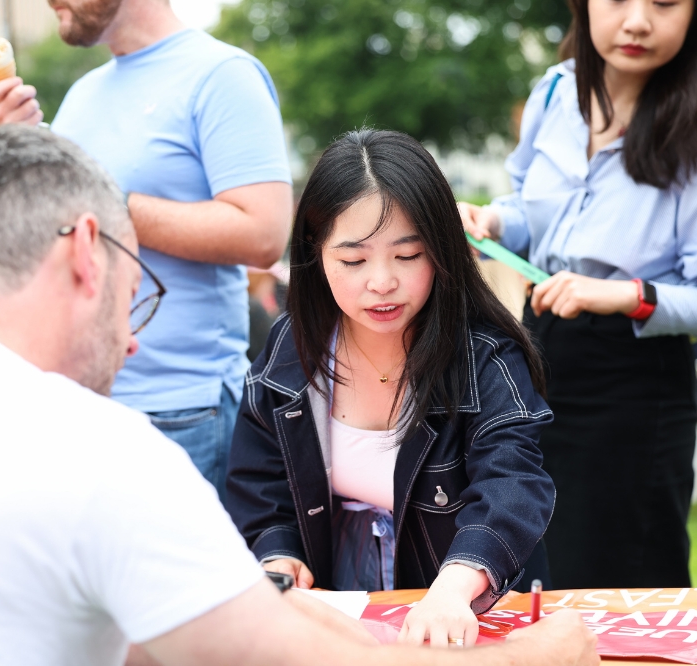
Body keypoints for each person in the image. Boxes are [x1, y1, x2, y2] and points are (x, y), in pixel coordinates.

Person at [0, 125, 598, 666]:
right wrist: (540, 655)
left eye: (406, 255)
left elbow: (511, 484)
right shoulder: (99, 453)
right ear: (90, 251)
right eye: (139, 293)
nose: (135, 341)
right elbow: (270, 647)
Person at [458, 0, 697, 589]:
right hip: (534, 367)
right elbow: (542, 217)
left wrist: (629, 296)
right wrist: (493, 222)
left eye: (664, 3)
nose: (637, 20)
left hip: (633, 389)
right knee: (528, 588)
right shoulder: (554, 94)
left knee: (620, 597)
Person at [226, 130, 555, 648]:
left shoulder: (483, 355)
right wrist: (278, 556)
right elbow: (260, 479)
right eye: (353, 261)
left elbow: (511, 484)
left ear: (442, 252)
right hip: (332, 609)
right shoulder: (292, 345)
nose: (381, 282)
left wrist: (453, 588)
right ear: (316, 254)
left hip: (464, 607)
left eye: (407, 256)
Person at [0, 0, 293, 500]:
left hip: (183, 413)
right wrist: (28, 159)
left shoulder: (223, 75)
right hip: (82, 407)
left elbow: (263, 235)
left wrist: (100, 196)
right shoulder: (83, 93)